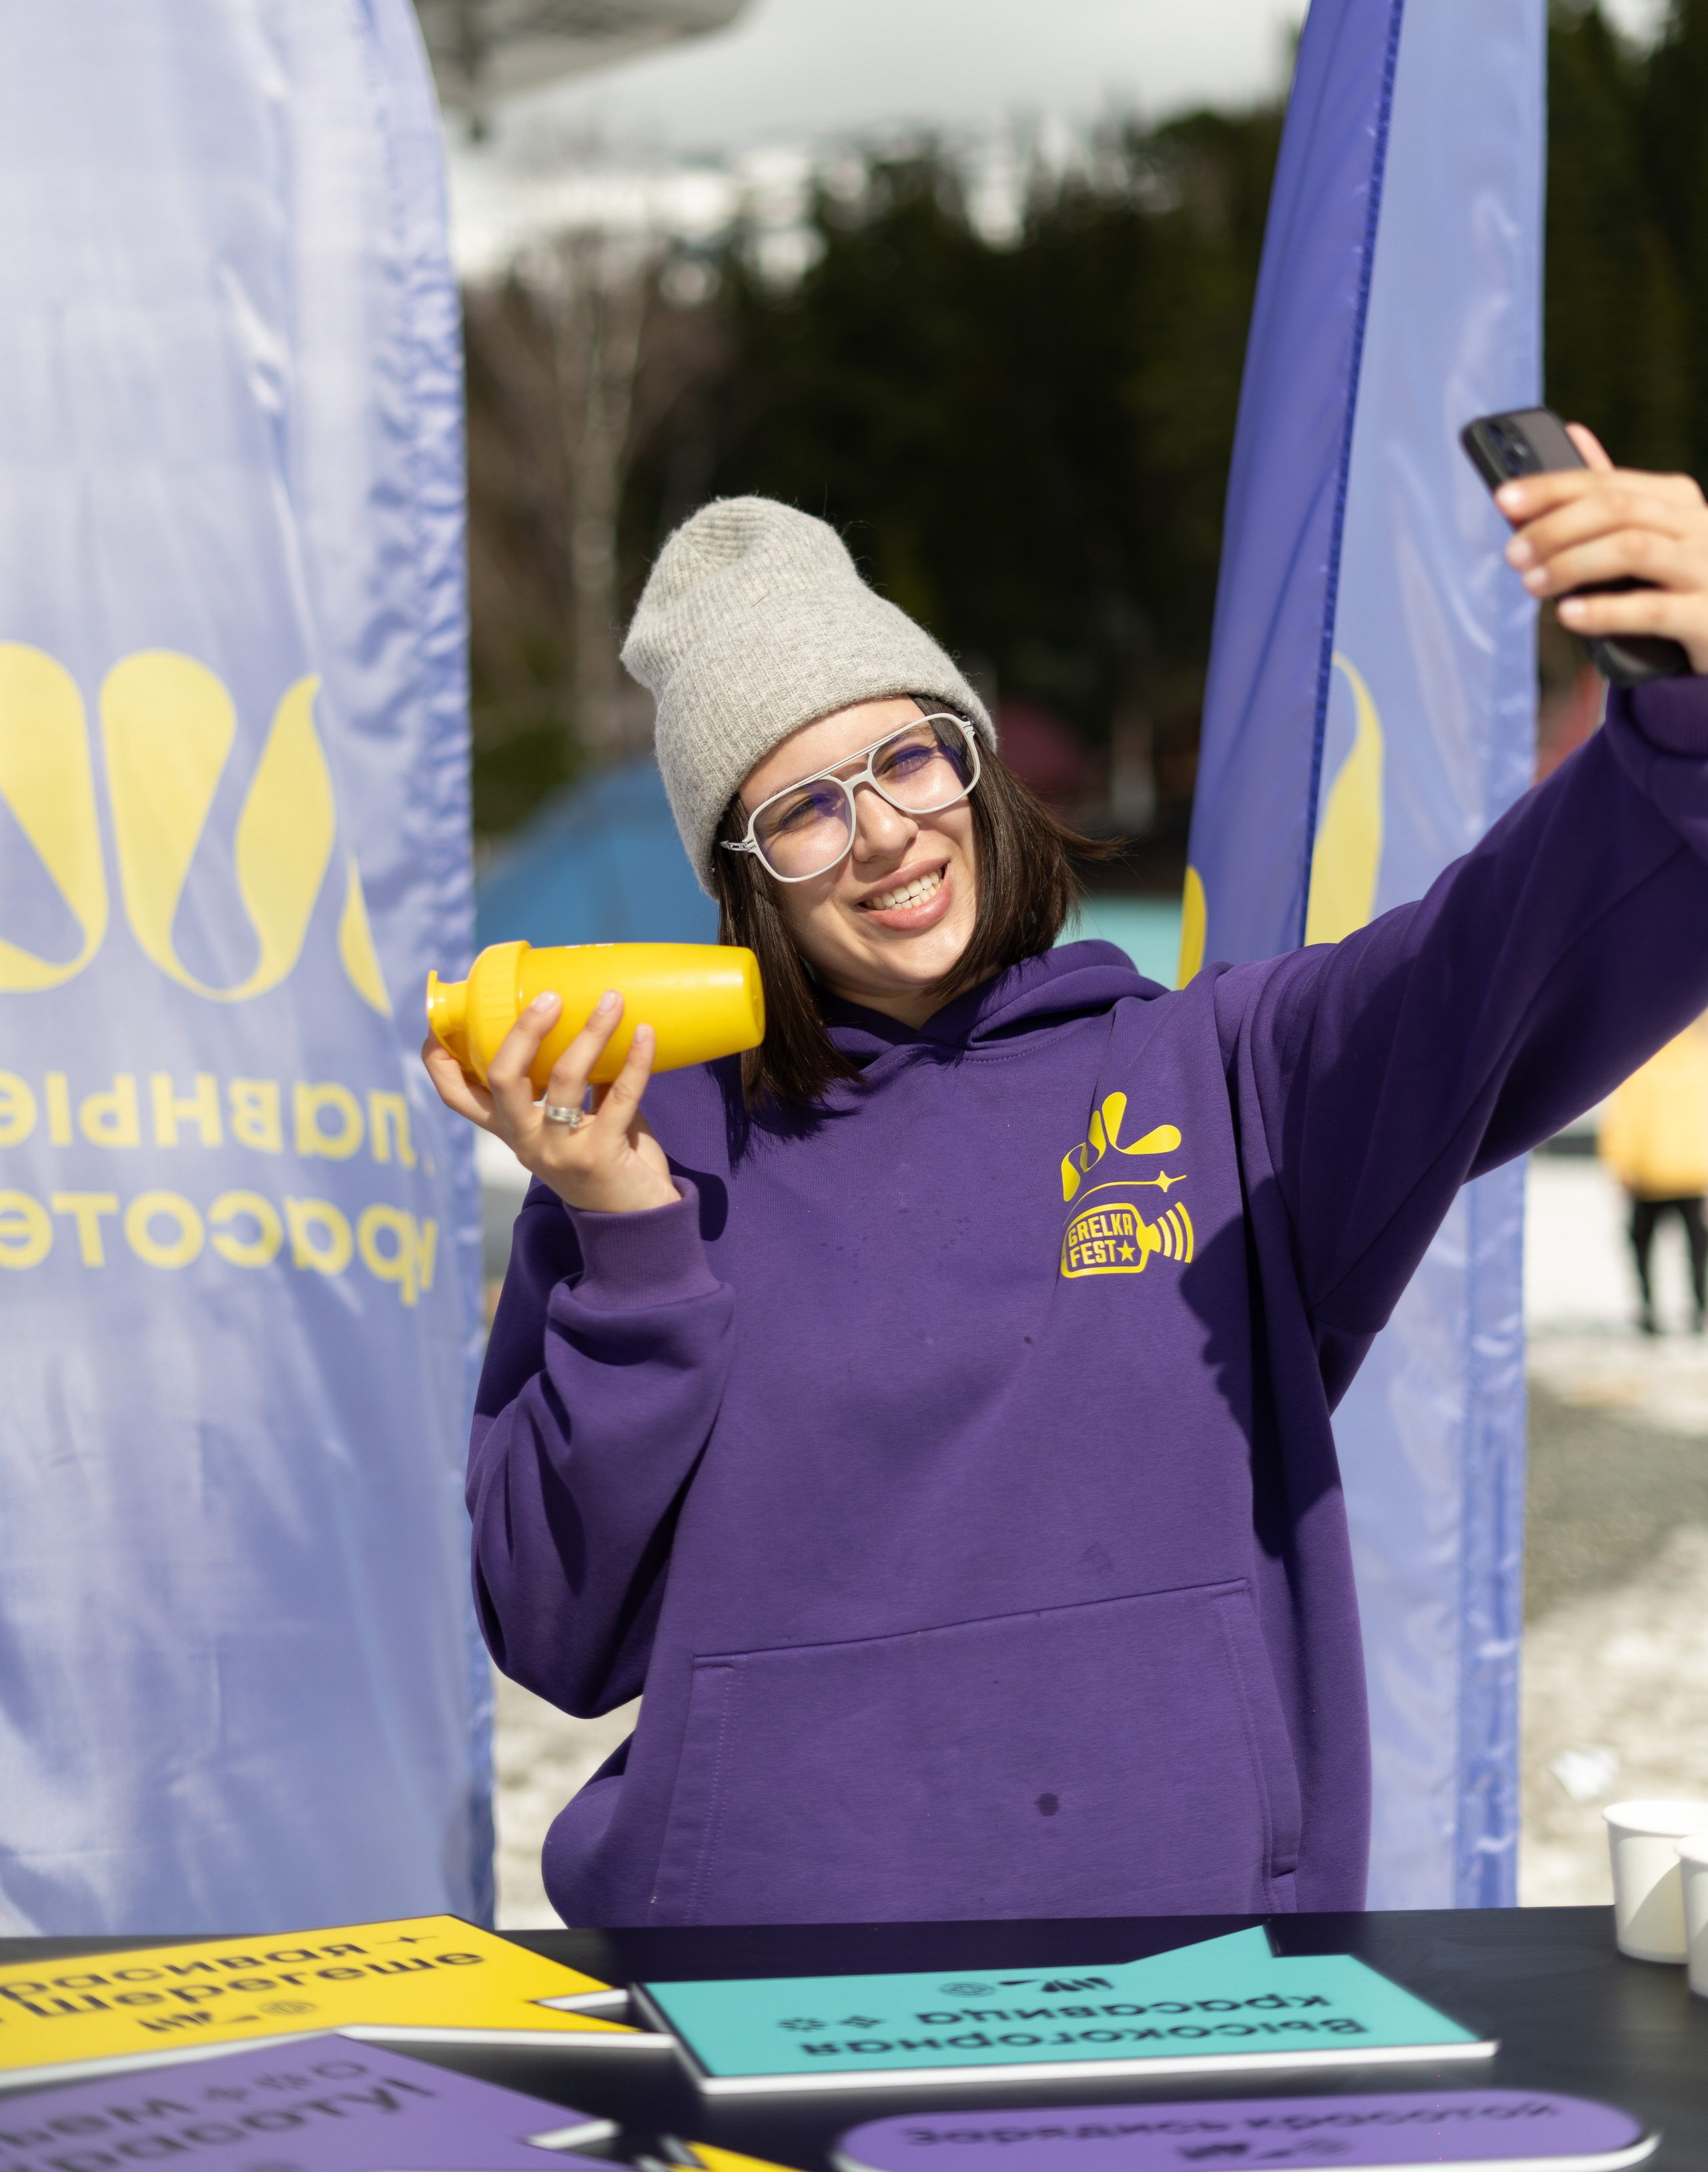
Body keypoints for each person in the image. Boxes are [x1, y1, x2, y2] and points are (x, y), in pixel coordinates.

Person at [428, 430, 1708, 1927]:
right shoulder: (657, 1157)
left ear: (974, 765)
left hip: (1180, 1973)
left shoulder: (1229, 1080)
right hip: (758, 1996)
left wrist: (1681, 723)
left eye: (909, 756)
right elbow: (551, 1626)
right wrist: (626, 1241)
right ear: (742, 876)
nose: (884, 833)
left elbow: (1502, 947)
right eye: (803, 808)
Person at [1597, 1021, 1708, 1334]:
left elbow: (1623, 1120)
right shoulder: (1701, 1062)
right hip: (1691, 1175)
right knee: (1697, 1249)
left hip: (1647, 1177)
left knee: (1642, 1248)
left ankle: (1648, 1312)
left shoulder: (1641, 1064)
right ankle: (1699, 1309)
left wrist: (1620, 1164)